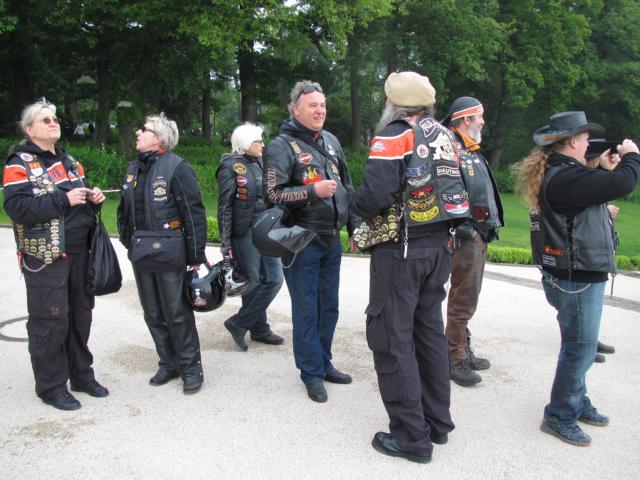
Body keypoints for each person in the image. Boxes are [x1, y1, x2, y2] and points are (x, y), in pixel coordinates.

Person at [351, 71, 470, 463]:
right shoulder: (446, 136)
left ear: (393, 103)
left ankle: (411, 438)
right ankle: (437, 423)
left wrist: (350, 207)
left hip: (401, 251)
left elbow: (375, 194)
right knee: (428, 334)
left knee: (391, 337)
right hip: (438, 249)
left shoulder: (394, 135)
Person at [515, 111, 640, 446]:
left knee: (578, 346)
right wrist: (632, 156)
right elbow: (624, 183)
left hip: (571, 274)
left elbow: (592, 192)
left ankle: (576, 400)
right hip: (577, 276)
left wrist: (603, 169)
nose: (589, 145)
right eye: (585, 139)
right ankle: (559, 415)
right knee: (579, 349)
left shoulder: (564, 174)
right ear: (571, 143)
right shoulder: (567, 177)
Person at [3, 98, 108, 411]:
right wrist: (65, 200)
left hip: (79, 252)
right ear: (29, 129)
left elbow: (79, 201)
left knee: (80, 316)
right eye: (45, 120)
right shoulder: (18, 164)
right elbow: (17, 208)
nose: (53, 123)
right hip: (45, 257)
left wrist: (94, 199)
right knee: (50, 321)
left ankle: (81, 375)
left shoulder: (71, 161)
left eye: (55, 119)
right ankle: (50, 386)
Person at [263, 80, 358, 403]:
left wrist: (355, 228)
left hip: (331, 238)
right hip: (301, 240)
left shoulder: (331, 141)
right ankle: (311, 373)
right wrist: (311, 191)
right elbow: (272, 194)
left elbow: (347, 186)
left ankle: (324, 362)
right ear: (295, 109)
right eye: (313, 105)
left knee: (329, 306)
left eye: (323, 105)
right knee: (307, 309)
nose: (320, 111)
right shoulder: (280, 146)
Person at [117, 113, 208, 394]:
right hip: (142, 253)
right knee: (153, 312)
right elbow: (123, 210)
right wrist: (128, 242)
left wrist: (195, 256)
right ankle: (169, 363)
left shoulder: (177, 167)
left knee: (176, 312)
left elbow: (193, 213)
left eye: (143, 129)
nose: (137, 133)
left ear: (159, 137)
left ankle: (190, 368)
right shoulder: (133, 168)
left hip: (170, 253)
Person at [441, 97, 504, 386]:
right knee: (464, 296)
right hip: (466, 234)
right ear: (466, 119)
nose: (483, 121)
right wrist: (463, 226)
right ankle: (455, 358)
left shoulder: (468, 148)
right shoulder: (450, 147)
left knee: (468, 294)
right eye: (479, 116)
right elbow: (446, 187)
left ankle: (461, 349)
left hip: (477, 232)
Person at [217, 123, 284, 351]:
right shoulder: (229, 167)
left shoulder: (263, 162)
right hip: (244, 232)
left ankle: (240, 323)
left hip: (265, 230)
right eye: (258, 141)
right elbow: (225, 207)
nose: (263, 145)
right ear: (246, 143)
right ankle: (259, 329)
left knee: (274, 279)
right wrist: (225, 243)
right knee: (253, 281)